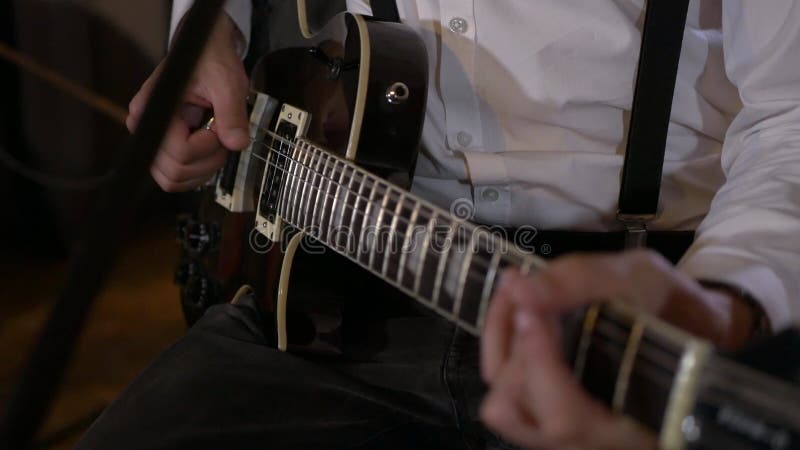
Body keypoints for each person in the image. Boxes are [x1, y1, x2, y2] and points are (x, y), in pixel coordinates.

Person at [79, 1, 800, 449]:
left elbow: (792, 120)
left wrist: (725, 301)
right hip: (339, 294)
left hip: (624, 323)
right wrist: (206, 31)